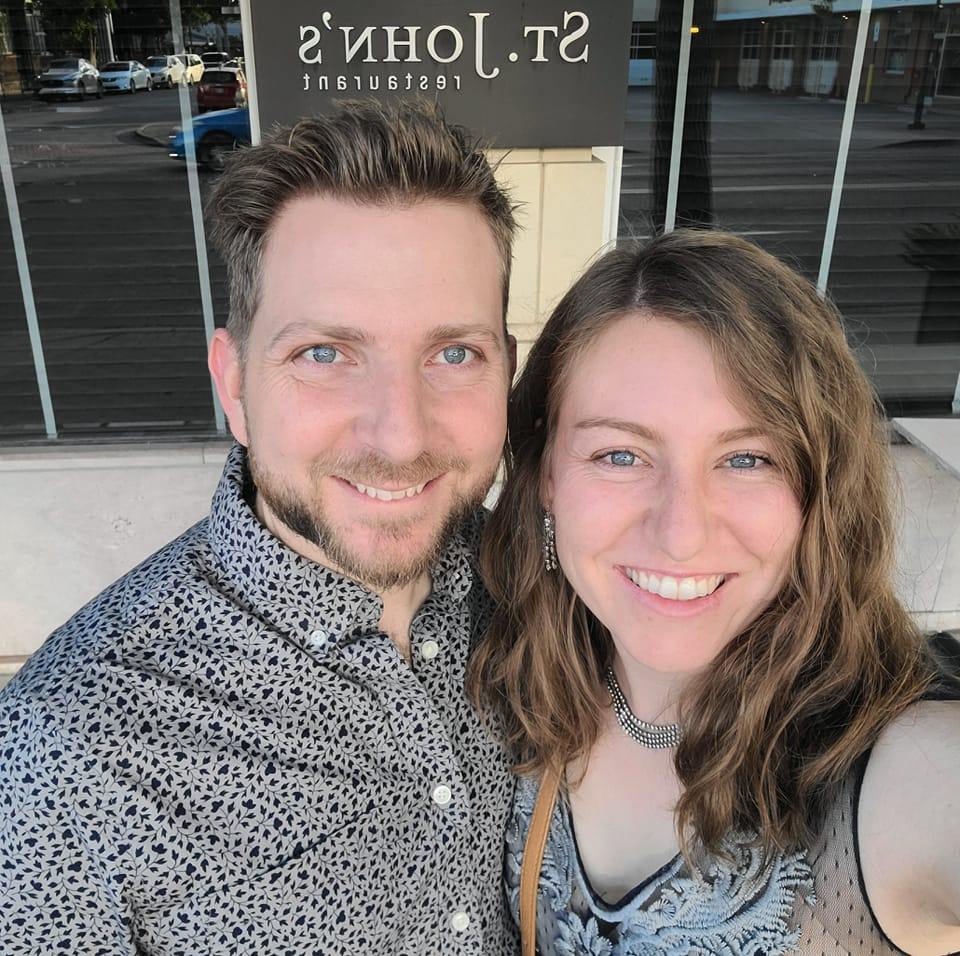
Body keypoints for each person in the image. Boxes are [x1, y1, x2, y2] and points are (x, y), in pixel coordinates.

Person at [0, 100, 520, 954]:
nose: (400, 436)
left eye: (454, 353)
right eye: (324, 354)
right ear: (234, 384)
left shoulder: (548, 595)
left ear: (507, 370)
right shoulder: (68, 748)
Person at [470, 229, 960, 956]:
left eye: (747, 459)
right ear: (546, 477)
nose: (681, 534)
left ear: (820, 489)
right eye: (620, 454)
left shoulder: (909, 762)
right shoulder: (508, 675)